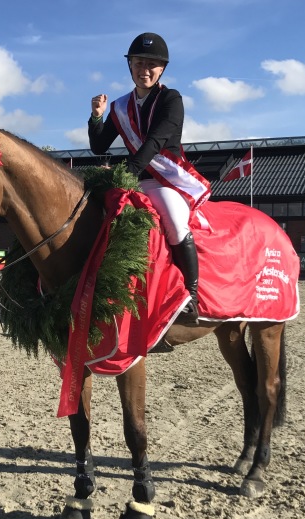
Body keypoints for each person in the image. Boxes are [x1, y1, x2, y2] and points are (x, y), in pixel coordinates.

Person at [88, 32, 211, 325]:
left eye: (152, 64)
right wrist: (96, 117)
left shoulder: (171, 99)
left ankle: (191, 297)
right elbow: (98, 147)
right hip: (136, 177)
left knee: (172, 219)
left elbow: (154, 142)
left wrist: (126, 174)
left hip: (167, 180)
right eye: (139, 62)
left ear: (162, 69)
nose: (145, 69)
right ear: (130, 66)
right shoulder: (119, 107)